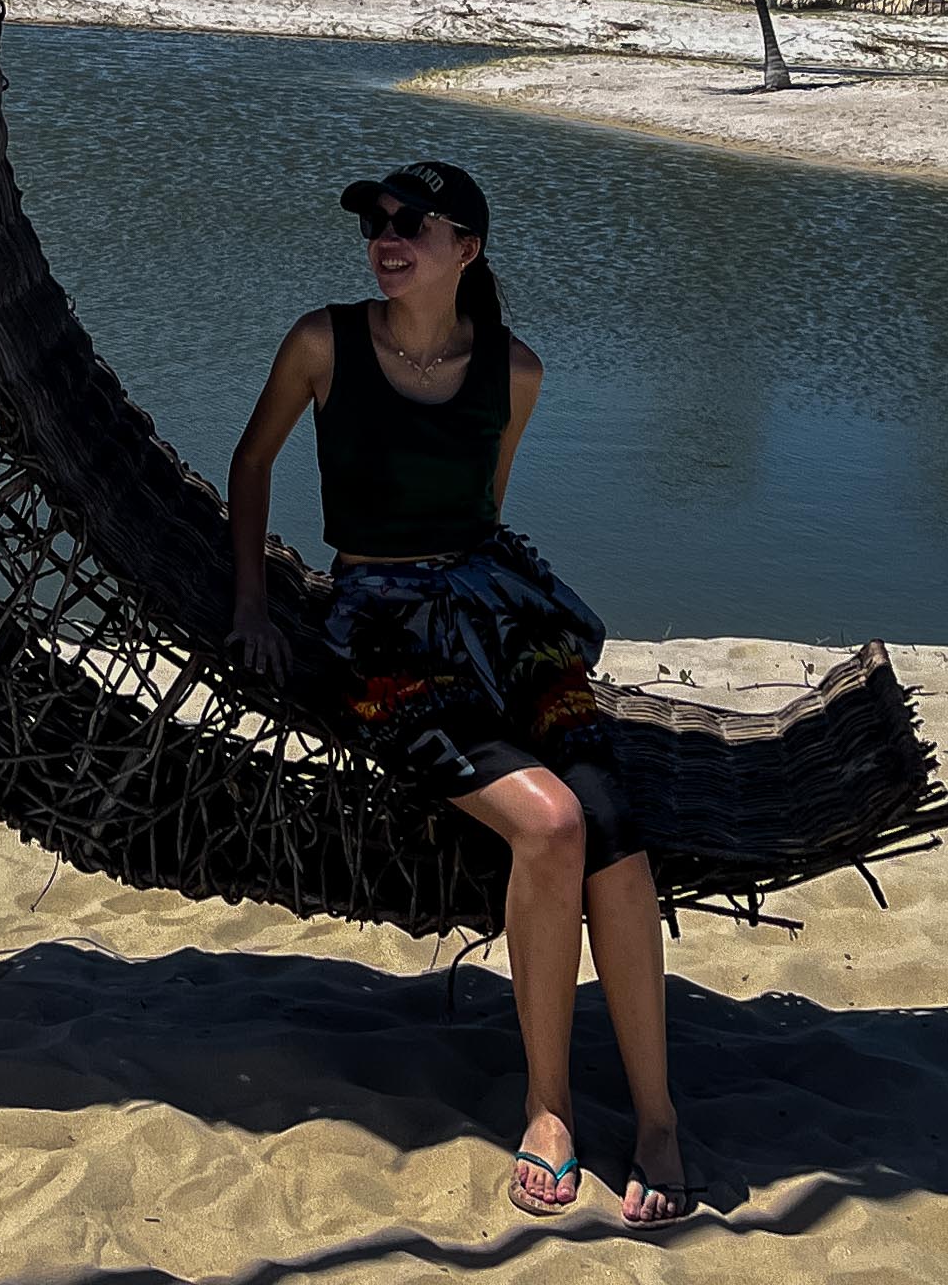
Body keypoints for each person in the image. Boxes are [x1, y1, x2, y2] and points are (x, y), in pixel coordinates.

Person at [225, 159, 690, 1227]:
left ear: (465, 249)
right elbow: (252, 464)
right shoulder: (322, 340)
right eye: (374, 223)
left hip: (500, 613)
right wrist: (253, 601)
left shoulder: (513, 370)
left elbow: (486, 501)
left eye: (409, 223)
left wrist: (480, 599)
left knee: (614, 829)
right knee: (553, 821)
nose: (384, 238)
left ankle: (659, 1115)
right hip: (380, 629)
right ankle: (548, 1107)